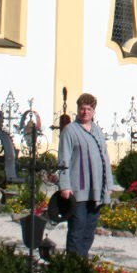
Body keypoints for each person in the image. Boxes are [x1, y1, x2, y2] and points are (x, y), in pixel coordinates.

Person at [57, 92, 113, 258]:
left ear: (93, 111)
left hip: (96, 190)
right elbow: (63, 158)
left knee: (89, 230)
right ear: (78, 110)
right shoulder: (70, 131)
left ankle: (83, 264)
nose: (85, 112)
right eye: (82, 109)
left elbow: (105, 157)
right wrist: (65, 185)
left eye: (89, 109)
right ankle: (73, 266)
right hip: (77, 190)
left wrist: (108, 185)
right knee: (77, 228)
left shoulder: (97, 131)